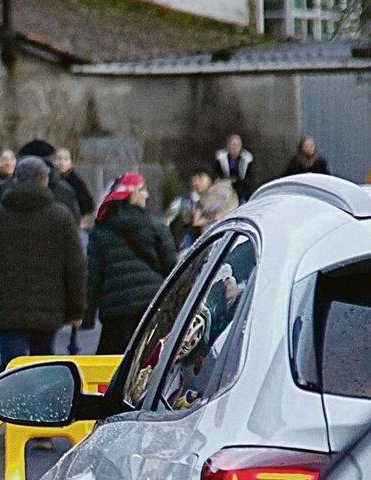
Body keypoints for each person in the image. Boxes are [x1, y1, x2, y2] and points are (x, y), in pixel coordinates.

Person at [0, 156, 85, 369]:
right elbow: (75, 267)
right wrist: (77, 311)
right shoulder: (61, 217)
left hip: (7, 306)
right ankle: (39, 403)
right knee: (43, 368)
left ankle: (6, 402)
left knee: (10, 366)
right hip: (50, 308)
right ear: (45, 180)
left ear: (15, 179)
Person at [87, 172, 177, 354]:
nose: (147, 195)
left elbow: (93, 276)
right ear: (132, 194)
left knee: (115, 365)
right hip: (151, 305)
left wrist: (86, 316)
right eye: (143, 189)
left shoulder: (102, 229)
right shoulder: (156, 226)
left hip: (115, 312)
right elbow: (172, 269)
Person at [53, 147, 96, 226]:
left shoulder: (77, 183)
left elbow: (88, 204)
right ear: (54, 161)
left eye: (66, 159)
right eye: (59, 158)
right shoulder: (48, 179)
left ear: (71, 163)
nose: (62, 162)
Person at [190, 167, 237, 233]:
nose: (196, 183)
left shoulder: (224, 189)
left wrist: (220, 215)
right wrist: (210, 219)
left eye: (200, 179)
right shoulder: (199, 199)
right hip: (212, 234)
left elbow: (233, 208)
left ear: (210, 178)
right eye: (194, 181)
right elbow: (196, 222)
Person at [215, 133, 256, 201]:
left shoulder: (247, 159)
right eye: (232, 144)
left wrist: (238, 181)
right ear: (227, 145)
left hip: (241, 189)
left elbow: (249, 178)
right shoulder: (220, 158)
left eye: (237, 145)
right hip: (224, 188)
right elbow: (217, 175)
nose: (234, 147)